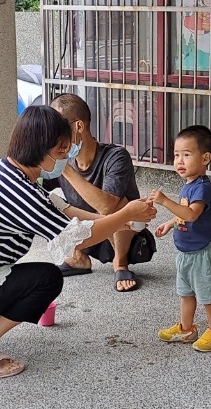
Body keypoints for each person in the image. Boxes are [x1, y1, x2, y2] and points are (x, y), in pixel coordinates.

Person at [0, 105, 157, 378]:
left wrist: (120, 218)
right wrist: (126, 213)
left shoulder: (0, 169)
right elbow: (78, 239)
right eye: (60, 152)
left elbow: (62, 210)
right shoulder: (21, 192)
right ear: (40, 149)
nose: (64, 160)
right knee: (47, 278)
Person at [46, 93, 145, 293]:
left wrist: (65, 168)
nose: (51, 136)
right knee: (47, 199)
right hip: (86, 233)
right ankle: (78, 258)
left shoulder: (116, 156)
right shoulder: (61, 158)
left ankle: (120, 264)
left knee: (118, 204)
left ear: (78, 127)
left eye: (56, 129)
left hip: (123, 236)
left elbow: (106, 206)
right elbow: (34, 187)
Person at [149, 125, 211, 352]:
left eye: (186, 155)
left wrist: (164, 201)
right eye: (176, 155)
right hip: (184, 252)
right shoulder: (188, 185)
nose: (179, 161)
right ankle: (186, 328)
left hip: (200, 253)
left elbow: (192, 214)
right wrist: (170, 223)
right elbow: (183, 214)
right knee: (186, 293)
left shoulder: (202, 188)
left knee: (206, 295)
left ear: (205, 158)